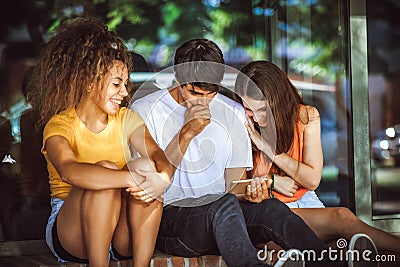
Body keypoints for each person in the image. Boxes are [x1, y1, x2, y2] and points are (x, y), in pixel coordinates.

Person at [132, 38, 345, 267]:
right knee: (222, 204)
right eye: (194, 92)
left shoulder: (234, 112)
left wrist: (252, 193)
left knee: (270, 208)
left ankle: (328, 263)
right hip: (173, 220)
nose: (204, 101)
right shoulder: (145, 110)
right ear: (178, 78)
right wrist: (186, 133)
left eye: (210, 93)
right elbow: (152, 183)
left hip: (225, 218)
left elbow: (234, 186)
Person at [28, 17, 198, 267]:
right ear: (89, 83)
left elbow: (156, 154)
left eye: (126, 85)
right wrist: (130, 179)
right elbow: (69, 171)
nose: (124, 93)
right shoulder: (60, 125)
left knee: (147, 167)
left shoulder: (126, 119)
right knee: (106, 171)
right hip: (73, 233)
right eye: (116, 84)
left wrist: (161, 176)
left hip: (119, 230)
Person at [235, 60, 400, 256]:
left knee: (346, 239)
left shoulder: (305, 116)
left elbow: (312, 180)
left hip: (305, 202)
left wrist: (267, 149)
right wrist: (271, 181)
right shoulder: (242, 126)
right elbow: (235, 186)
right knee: (340, 229)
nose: (255, 117)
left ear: (278, 100)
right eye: (248, 109)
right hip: (270, 213)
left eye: (262, 110)